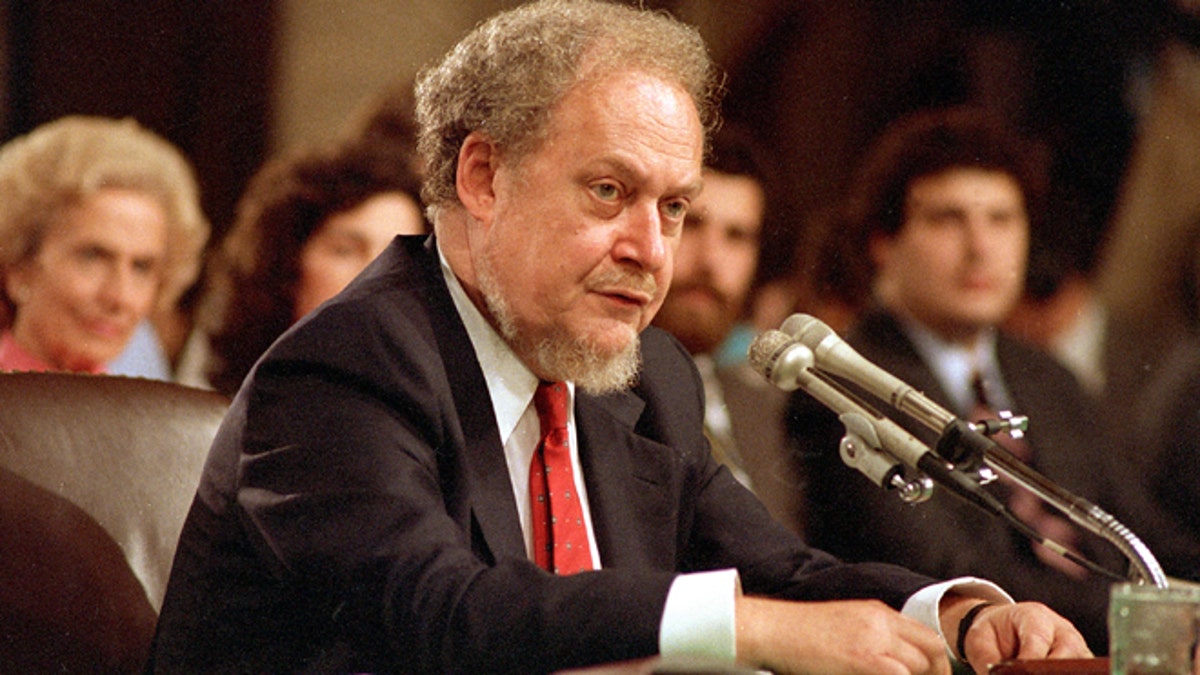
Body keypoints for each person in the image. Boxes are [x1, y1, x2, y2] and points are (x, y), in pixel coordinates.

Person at [149, 3, 1089, 673]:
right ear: (483, 176)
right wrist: (746, 631)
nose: (651, 250)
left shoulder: (640, 379)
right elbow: (444, 615)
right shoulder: (346, 367)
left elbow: (780, 572)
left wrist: (958, 614)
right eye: (609, 192)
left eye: (674, 207)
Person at [784, 106, 1123, 654]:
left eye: (1001, 219)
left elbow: (1138, 525)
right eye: (948, 219)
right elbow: (946, 572)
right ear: (883, 242)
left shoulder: (1049, 376)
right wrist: (1142, 617)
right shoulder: (847, 381)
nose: (981, 247)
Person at [177, 132, 427, 395]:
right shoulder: (217, 410)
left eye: (399, 257)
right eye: (345, 251)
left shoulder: (437, 416)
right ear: (287, 264)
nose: (377, 275)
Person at [651, 125, 803, 533]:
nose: (710, 261)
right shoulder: (592, 402)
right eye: (693, 224)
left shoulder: (767, 409)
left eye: (737, 236)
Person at [0, 116, 208, 374]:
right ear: (19, 267)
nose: (119, 297)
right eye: (92, 257)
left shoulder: (151, 408)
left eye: (142, 267)